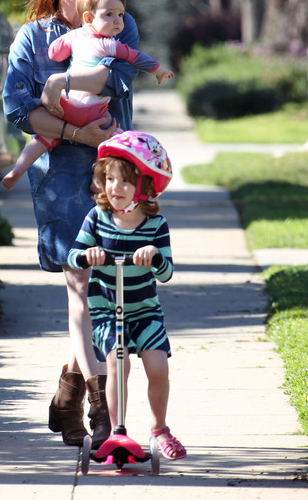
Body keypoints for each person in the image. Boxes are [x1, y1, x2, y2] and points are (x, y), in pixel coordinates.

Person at [2, 0, 141, 449]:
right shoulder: (33, 40)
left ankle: (66, 400)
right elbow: (18, 107)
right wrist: (77, 131)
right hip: (58, 177)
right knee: (84, 285)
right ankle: (102, 410)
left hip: (114, 176)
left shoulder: (115, 23)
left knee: (106, 289)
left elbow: (122, 80)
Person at [67, 131, 187, 461]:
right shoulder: (97, 219)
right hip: (107, 308)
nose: (115, 188)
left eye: (125, 181)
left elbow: (166, 273)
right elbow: (72, 255)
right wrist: (87, 254)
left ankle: (159, 428)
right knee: (118, 362)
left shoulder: (156, 225)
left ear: (145, 186)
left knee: (158, 367)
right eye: (110, 179)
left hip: (144, 310)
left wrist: (155, 255)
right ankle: (117, 432)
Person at [1, 0, 173, 190]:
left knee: (41, 140)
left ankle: (16, 171)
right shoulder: (109, 44)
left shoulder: (74, 37)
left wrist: (64, 43)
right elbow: (136, 58)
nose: (118, 21)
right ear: (89, 18)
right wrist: (158, 70)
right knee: (117, 139)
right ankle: (98, 181)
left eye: (120, 15)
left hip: (65, 108)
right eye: (110, 15)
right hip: (94, 113)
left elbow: (55, 53)